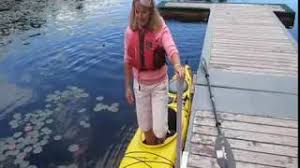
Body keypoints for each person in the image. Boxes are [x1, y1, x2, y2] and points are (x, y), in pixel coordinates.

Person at [123, 0, 184, 145]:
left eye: (144, 12)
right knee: (145, 126)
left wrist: (177, 64)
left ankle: (162, 143)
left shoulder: (160, 28)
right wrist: (127, 87)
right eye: (137, 12)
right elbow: (128, 60)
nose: (140, 16)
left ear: (151, 12)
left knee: (160, 130)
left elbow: (171, 47)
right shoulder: (130, 33)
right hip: (140, 86)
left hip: (159, 85)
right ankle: (151, 147)